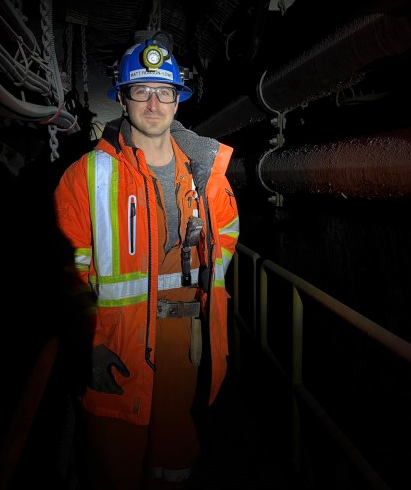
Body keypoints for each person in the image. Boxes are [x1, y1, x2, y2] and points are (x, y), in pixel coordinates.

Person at [53, 36, 240, 490]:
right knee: (113, 454)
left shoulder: (205, 174)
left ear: (178, 100)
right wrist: (87, 341)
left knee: (174, 452)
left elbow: (229, 236)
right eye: (141, 91)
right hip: (115, 341)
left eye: (164, 91)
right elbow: (67, 265)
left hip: (183, 338)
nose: (154, 103)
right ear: (121, 97)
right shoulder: (86, 177)